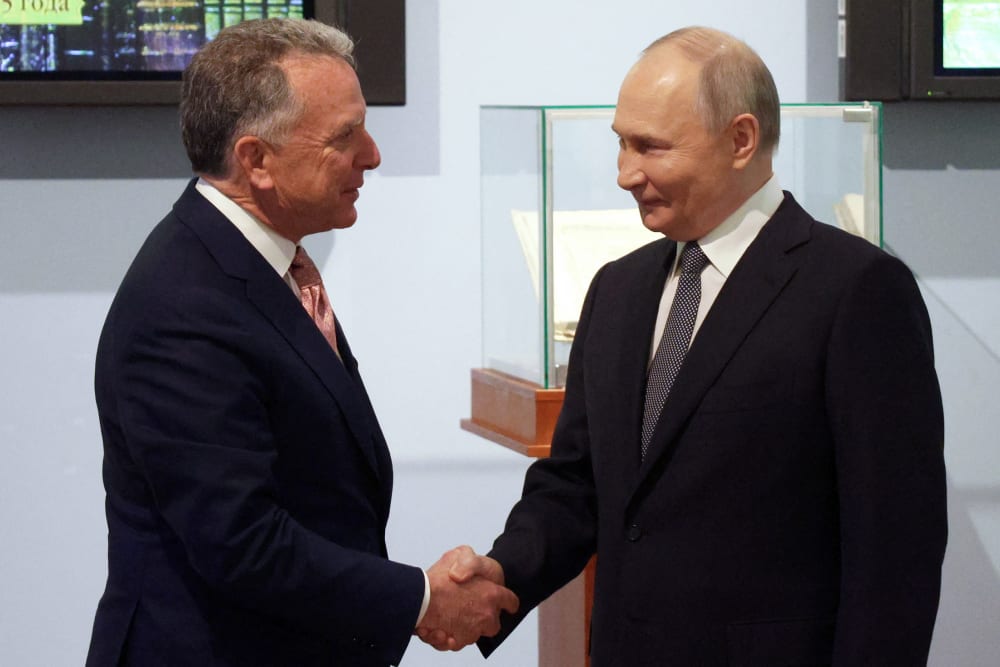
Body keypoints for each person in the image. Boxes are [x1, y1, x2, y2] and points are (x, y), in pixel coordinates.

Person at [446, 26, 948, 665]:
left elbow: (896, 549)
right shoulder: (617, 290)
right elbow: (577, 486)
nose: (625, 173)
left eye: (650, 147)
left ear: (741, 139)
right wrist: (498, 577)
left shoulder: (857, 290)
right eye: (621, 143)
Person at [85, 18, 515, 667]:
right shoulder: (183, 306)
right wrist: (421, 598)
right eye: (345, 137)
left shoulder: (259, 265)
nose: (372, 154)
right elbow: (242, 542)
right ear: (256, 160)